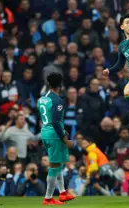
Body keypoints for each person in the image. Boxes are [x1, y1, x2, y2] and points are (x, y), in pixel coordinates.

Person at [37, 72, 75, 205]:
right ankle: (48, 198)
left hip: (46, 133)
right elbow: (54, 121)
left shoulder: (42, 99)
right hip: (54, 135)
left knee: (57, 163)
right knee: (54, 165)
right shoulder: (57, 100)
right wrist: (65, 140)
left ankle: (63, 192)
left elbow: (47, 118)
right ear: (60, 84)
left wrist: (61, 129)